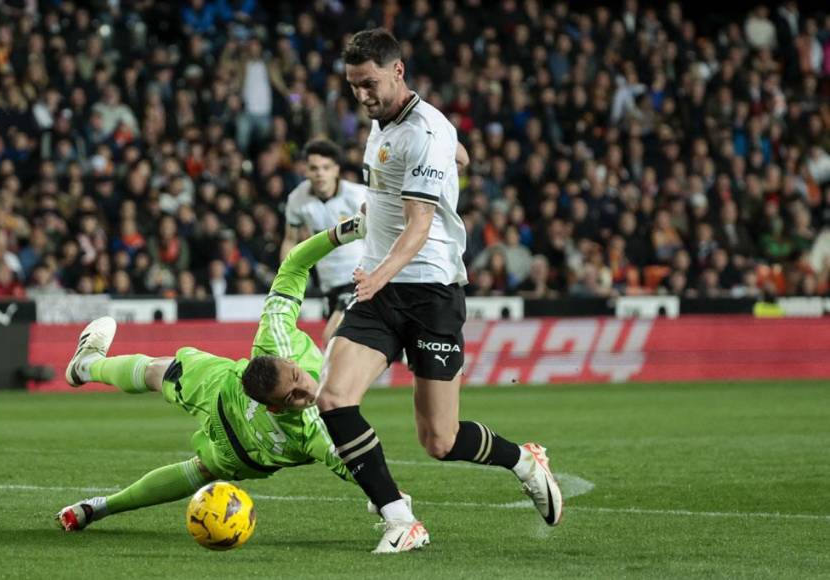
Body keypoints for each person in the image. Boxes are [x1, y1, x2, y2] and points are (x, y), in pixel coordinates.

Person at [313, 29, 563, 554]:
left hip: (429, 293)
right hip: (380, 291)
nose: (362, 95)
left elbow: (421, 225)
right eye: (354, 86)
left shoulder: (425, 131)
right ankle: (400, 518)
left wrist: (378, 273)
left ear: (398, 70)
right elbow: (457, 157)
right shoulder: (389, 124)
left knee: (440, 441)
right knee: (333, 398)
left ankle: (522, 459)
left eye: (370, 83)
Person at [55, 216, 372, 532]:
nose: (309, 392)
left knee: (158, 373)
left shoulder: (274, 338)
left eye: (299, 380)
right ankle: (98, 507)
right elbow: (357, 466)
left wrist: (348, 230)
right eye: (295, 394)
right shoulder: (315, 426)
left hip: (228, 411)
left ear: (289, 363)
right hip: (237, 435)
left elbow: (294, 264)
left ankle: (86, 366)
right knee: (199, 458)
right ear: (275, 404)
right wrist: (389, 501)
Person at [281, 138, 367, 346]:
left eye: (326, 168)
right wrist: (286, 281)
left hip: (358, 275)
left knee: (331, 338)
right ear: (306, 171)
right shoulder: (297, 199)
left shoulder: (357, 195)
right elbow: (290, 240)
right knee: (343, 346)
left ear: (336, 170)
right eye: (314, 168)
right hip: (328, 282)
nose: (320, 173)